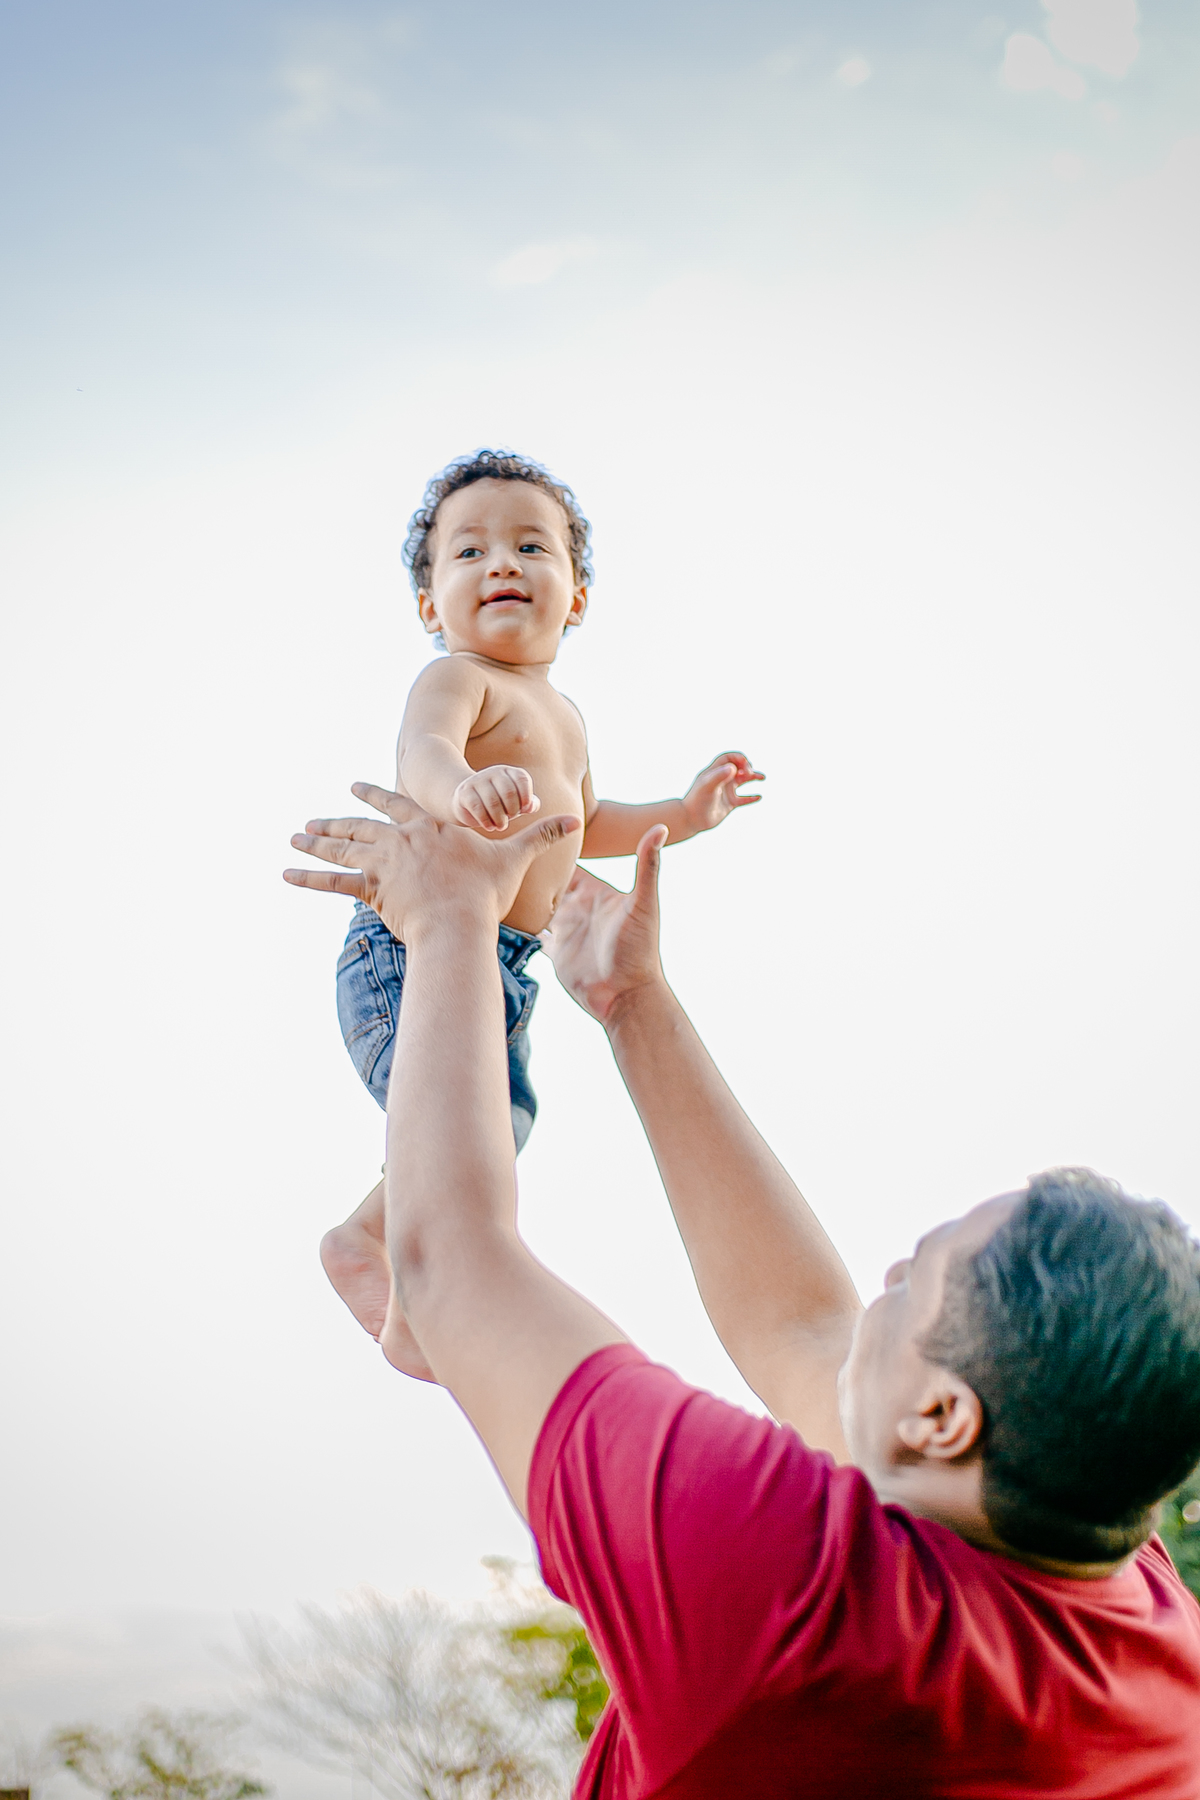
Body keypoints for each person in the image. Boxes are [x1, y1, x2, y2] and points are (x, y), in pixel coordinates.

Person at [284, 791, 1200, 1798]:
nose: (885, 1281)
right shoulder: (1144, 1621)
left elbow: (449, 1264)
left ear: (943, 1418)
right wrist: (634, 1004)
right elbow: (805, 1331)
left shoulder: (789, 1596)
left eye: (917, 1279)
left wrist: (448, 917)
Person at [319, 448, 762, 1379]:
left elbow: (588, 822)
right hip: (413, 949)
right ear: (430, 607)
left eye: (530, 546)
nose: (503, 564)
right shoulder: (459, 679)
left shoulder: (565, 716)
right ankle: (411, 1271)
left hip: (505, 962)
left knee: (507, 1122)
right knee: (467, 1121)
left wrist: (687, 814)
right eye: (469, 552)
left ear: (577, 596)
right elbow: (422, 754)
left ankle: (378, 1241)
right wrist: (462, 787)